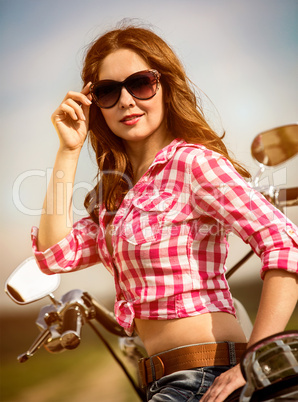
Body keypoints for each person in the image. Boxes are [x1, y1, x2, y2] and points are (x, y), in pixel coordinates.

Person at [31, 23, 298, 401]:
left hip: (205, 374)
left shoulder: (193, 163)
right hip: (162, 379)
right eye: (108, 91)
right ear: (95, 104)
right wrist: (68, 150)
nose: (125, 101)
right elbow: (56, 254)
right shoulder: (117, 197)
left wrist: (255, 360)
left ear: (165, 86)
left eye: (140, 83)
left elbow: (284, 243)